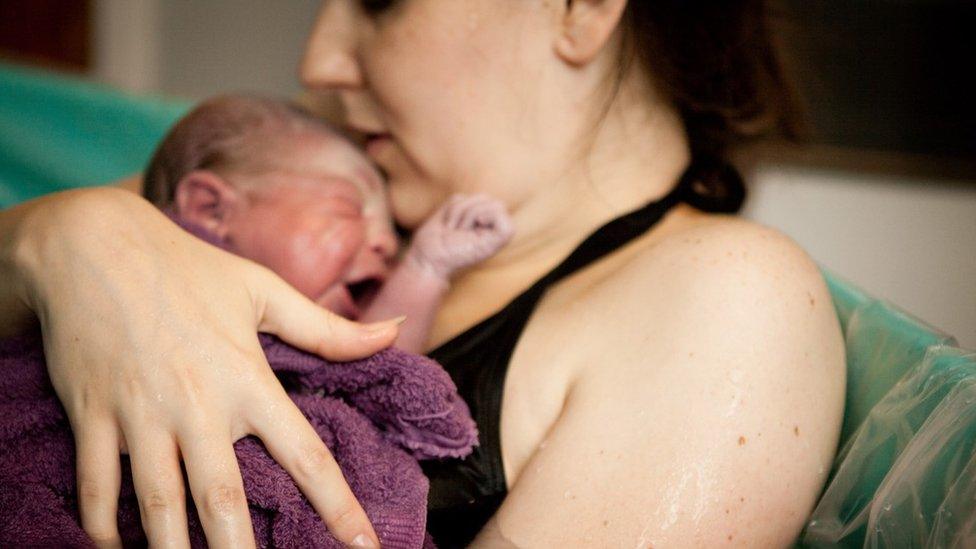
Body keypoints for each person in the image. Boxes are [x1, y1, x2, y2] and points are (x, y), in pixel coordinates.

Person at [0, 0, 846, 547]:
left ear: (581, 9)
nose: (319, 60)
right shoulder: (329, 186)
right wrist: (67, 233)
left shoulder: (722, 303)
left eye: (377, 2)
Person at [145, 94, 513, 352]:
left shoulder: (321, 353)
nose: (387, 244)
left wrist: (425, 268)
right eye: (350, 207)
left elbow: (379, 367)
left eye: (391, 229)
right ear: (211, 210)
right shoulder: (141, 305)